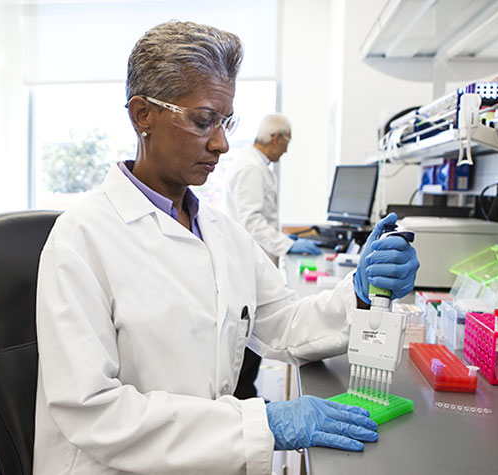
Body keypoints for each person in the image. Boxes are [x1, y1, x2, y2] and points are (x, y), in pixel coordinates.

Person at [33, 20, 419, 474]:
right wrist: (261, 425)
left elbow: (285, 325)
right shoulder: (80, 239)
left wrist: (359, 286)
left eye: (225, 120)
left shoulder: (222, 233)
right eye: (203, 121)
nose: (220, 143)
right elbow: (93, 412)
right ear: (142, 115)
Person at [225, 113, 322, 267]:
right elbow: (251, 221)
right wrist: (286, 245)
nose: (286, 151)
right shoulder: (251, 168)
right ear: (276, 138)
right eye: (287, 142)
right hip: (249, 260)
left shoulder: (256, 164)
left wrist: (283, 238)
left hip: (256, 256)